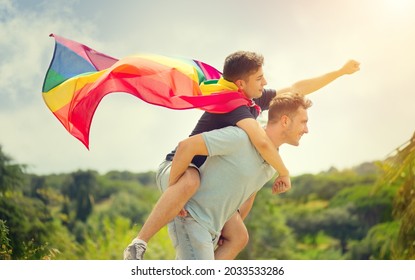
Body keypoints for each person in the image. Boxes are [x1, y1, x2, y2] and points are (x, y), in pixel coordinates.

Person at [124, 52, 360, 260]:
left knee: (239, 236)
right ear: (240, 83)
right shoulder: (235, 106)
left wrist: (339, 72)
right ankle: (139, 243)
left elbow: (296, 87)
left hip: (195, 178)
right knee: (190, 181)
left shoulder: (251, 98)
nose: (265, 82)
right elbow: (261, 142)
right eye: (259, 78)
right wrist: (176, 195)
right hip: (177, 167)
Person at [137, 92, 312, 259]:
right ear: (285, 120)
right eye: (303, 122)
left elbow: (247, 196)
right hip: (191, 218)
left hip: (210, 230)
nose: (306, 130)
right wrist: (174, 191)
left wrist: (227, 230)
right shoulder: (241, 137)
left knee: (240, 237)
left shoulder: (272, 164)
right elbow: (186, 146)